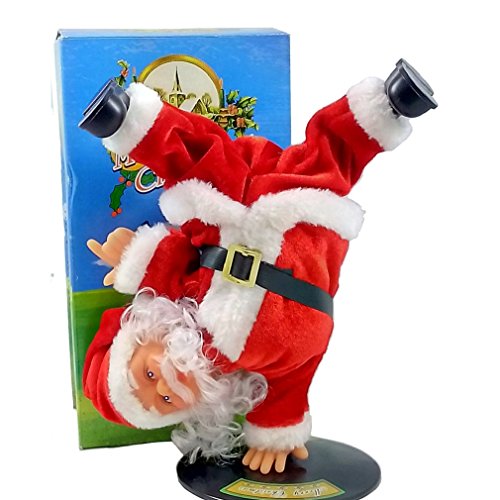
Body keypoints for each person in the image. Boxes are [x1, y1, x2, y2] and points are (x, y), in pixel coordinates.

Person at [80, 60, 437, 474]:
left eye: (146, 373)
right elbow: (291, 381)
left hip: (232, 212)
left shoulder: (188, 306)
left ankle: (128, 120)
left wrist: (131, 255)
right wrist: (276, 433)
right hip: (303, 238)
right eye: (165, 400)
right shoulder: (254, 371)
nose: (165, 380)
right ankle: (394, 105)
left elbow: (176, 261)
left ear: (144, 339)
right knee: (326, 165)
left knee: (201, 161)